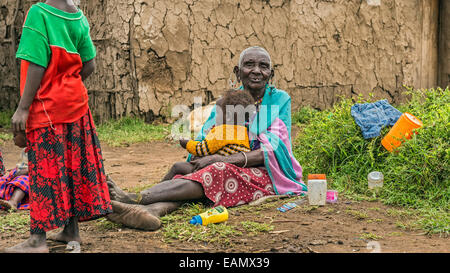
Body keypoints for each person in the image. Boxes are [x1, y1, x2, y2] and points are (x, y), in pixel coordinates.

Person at [106, 46, 307, 231]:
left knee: (216, 171)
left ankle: (136, 199)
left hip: (266, 173)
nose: (256, 70)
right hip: (224, 163)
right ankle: (152, 211)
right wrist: (204, 156)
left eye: (263, 66)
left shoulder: (279, 100)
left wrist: (223, 159)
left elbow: (274, 149)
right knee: (193, 172)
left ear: (270, 74)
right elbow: (209, 134)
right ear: (237, 72)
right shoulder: (228, 101)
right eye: (249, 65)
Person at [4, 0, 112, 253]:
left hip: (47, 108)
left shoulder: (38, 13)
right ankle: (71, 231)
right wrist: (67, 84)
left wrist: (23, 108)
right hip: (77, 105)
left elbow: (37, 63)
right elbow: (90, 64)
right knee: (72, 168)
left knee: (45, 170)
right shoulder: (77, 16)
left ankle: (37, 240)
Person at [162, 89, 254, 181]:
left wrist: (186, 143)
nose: (215, 117)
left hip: (220, 173)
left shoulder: (223, 132)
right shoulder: (243, 132)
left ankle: (158, 188)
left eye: (217, 113)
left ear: (228, 115)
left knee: (177, 167)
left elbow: (202, 149)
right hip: (234, 173)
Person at [0, 131, 30, 211]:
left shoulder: (36, 150)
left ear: (26, 136)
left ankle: (13, 202)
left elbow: (31, 169)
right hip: (17, 174)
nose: (13, 139)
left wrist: (19, 173)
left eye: (15, 135)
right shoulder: (25, 150)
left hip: (28, 177)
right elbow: (22, 165)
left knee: (23, 181)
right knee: (2, 181)